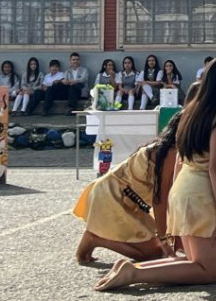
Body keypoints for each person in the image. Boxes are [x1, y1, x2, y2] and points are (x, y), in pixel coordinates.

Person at [93, 56, 216, 291]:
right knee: (207, 270)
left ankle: (134, 270)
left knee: (192, 261)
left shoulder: (192, 111)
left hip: (183, 185)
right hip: (200, 190)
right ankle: (133, 272)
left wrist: (175, 199)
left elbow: (179, 159)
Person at [73, 112, 180, 264]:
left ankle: (96, 238)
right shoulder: (171, 152)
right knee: (153, 253)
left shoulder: (169, 148)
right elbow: (160, 199)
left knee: (157, 249)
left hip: (128, 199)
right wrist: (163, 238)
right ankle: (95, 238)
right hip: (112, 195)